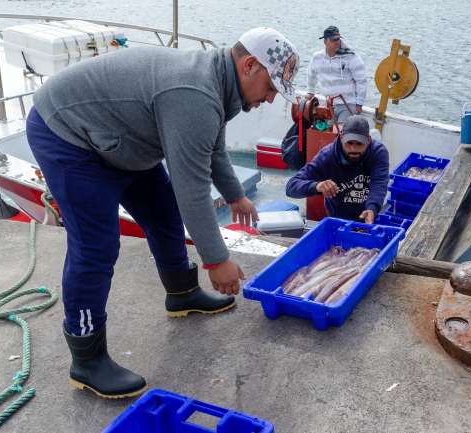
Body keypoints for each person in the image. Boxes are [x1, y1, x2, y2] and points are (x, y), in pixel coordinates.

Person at [26, 27, 299, 399]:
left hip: (119, 136)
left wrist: (236, 196)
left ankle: (182, 294)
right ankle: (87, 358)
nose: (270, 99)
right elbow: (194, 189)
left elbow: (212, 146)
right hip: (68, 133)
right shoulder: (194, 93)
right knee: (96, 246)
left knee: (164, 212)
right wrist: (216, 260)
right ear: (250, 65)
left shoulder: (216, 83)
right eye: (270, 88)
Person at [286, 115, 388, 223]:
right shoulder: (327, 156)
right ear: (341, 137)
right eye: (349, 143)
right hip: (337, 218)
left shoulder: (378, 153)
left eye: (359, 144)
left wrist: (372, 208)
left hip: (368, 215)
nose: (353, 149)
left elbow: (379, 183)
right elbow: (291, 187)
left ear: (369, 140)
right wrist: (317, 186)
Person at [307, 25, 367, 123]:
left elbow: (361, 80)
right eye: (333, 40)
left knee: (340, 131)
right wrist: (310, 92)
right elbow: (311, 75)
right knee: (323, 130)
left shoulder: (351, 56)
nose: (337, 42)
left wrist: (359, 103)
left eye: (338, 39)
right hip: (329, 104)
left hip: (348, 104)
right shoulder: (317, 57)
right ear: (325, 42)